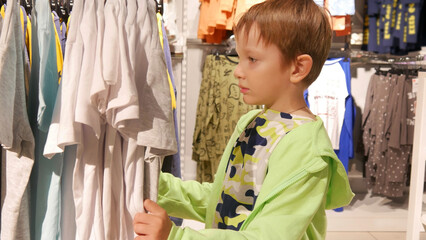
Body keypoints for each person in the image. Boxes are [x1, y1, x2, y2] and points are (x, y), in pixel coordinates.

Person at [133, 0, 354, 239]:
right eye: (240, 58)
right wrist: (153, 183)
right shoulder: (252, 122)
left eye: (252, 60)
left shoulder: (305, 148)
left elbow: (269, 235)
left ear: (298, 68)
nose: (238, 71)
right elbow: (225, 199)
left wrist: (177, 236)